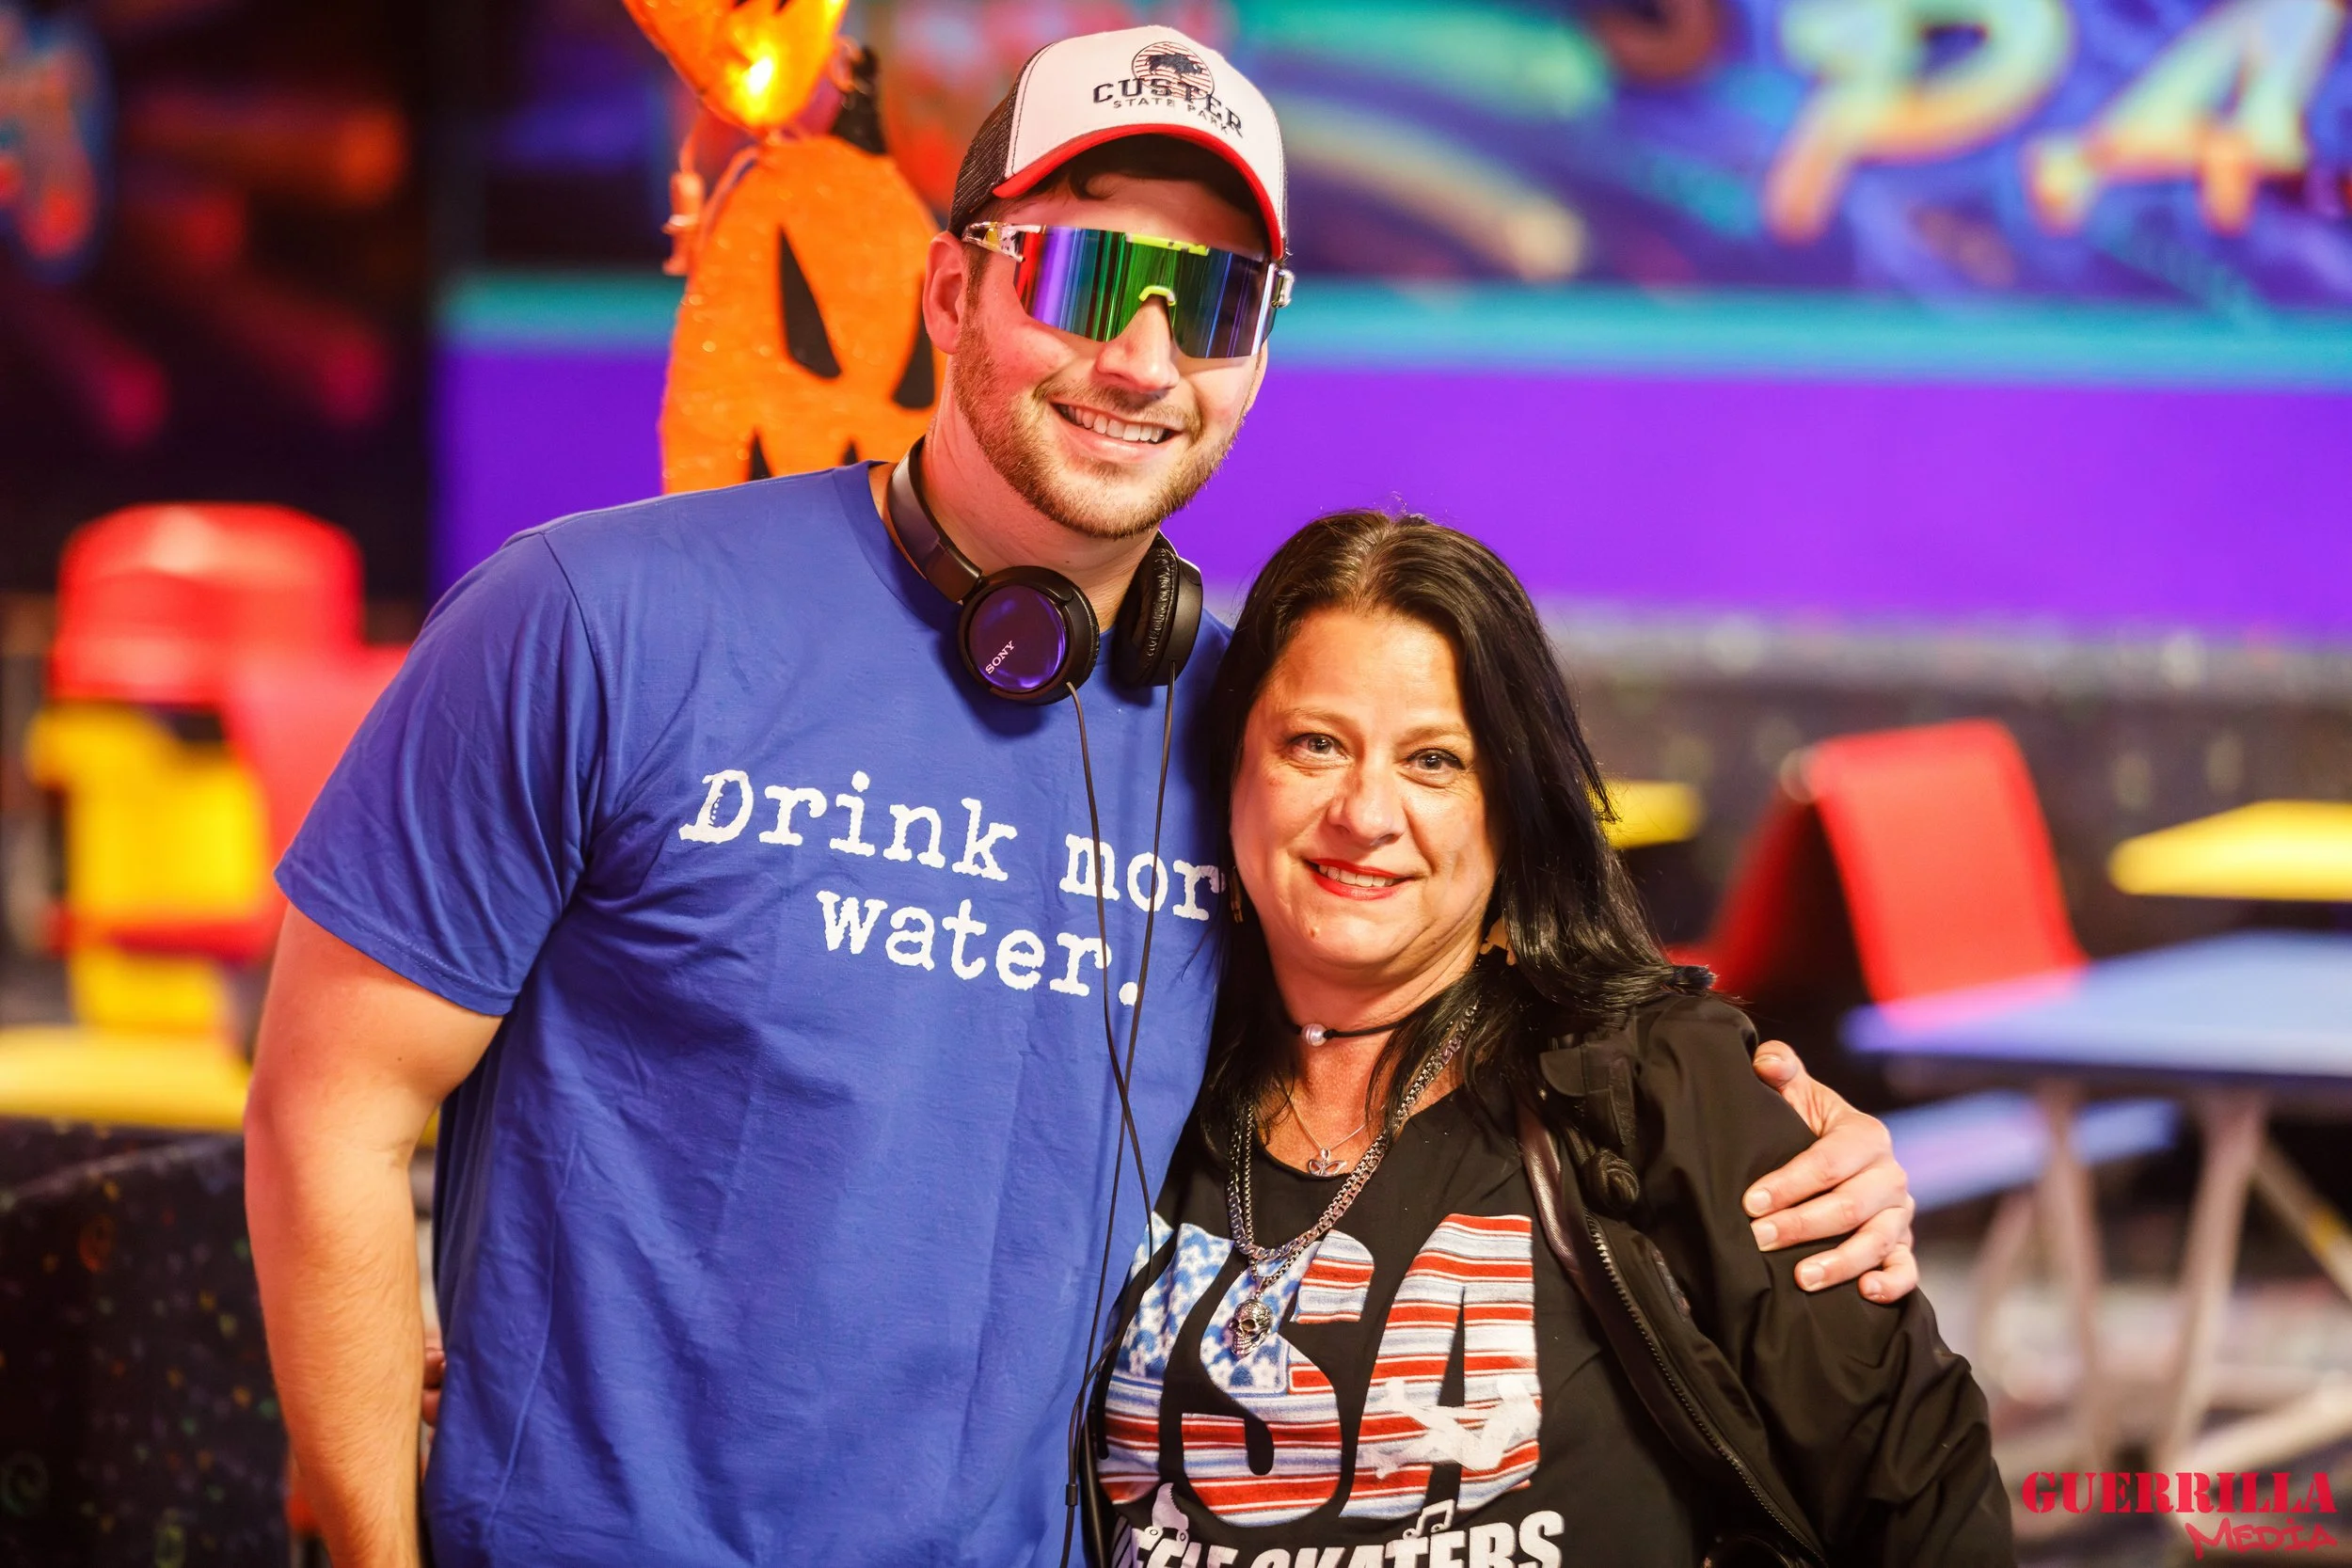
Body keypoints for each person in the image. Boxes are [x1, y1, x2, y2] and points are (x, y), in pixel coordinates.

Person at [243, 27, 1922, 1568]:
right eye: (1083, 272)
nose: (1138, 355)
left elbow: (1490, 1036)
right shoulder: (591, 620)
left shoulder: (1261, 740)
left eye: (1209, 304)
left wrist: (1782, 1152)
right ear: (951, 290)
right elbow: (329, 1107)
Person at [1087, 511, 2009, 1567]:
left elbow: (1919, 1489)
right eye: (1315, 743)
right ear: (1230, 770)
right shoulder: (1125, 1076)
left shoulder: (1651, 1084)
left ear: (1511, 810)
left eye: (1434, 759)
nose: (1365, 809)